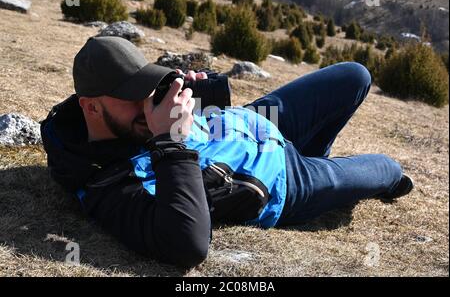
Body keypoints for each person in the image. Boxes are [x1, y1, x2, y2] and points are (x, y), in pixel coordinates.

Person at [41, 36, 414, 267]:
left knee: (355, 76)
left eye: (148, 87)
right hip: (281, 181)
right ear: (91, 107)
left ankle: (315, 154)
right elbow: (187, 245)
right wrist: (170, 142)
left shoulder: (122, 114)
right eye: (132, 96)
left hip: (253, 122)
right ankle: (337, 177)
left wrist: (201, 90)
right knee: (384, 169)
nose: (148, 101)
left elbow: (198, 101)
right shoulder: (106, 186)